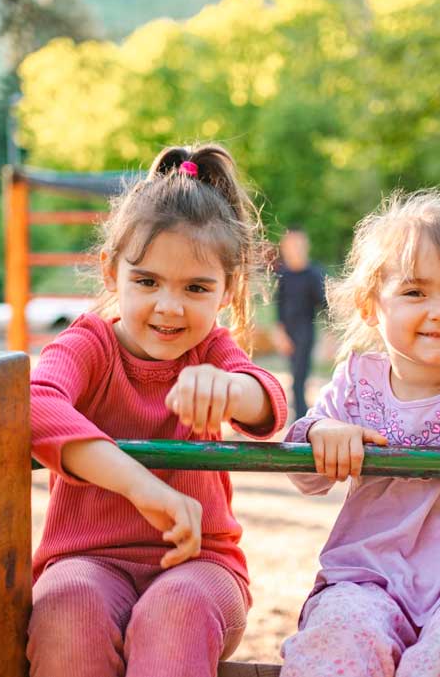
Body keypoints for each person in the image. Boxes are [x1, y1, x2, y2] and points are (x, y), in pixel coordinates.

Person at [27, 144, 289, 677]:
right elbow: (34, 401)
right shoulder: (90, 345)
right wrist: (140, 485)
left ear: (227, 290)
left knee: (174, 613)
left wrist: (229, 388)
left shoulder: (211, 349)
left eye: (196, 288)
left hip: (202, 567)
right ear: (110, 272)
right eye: (146, 281)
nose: (169, 307)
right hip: (86, 560)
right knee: (68, 610)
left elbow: (269, 402)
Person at [279, 189, 440, 677]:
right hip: (366, 578)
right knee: (332, 645)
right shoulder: (356, 381)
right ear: (371, 306)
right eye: (416, 292)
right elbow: (304, 475)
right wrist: (321, 432)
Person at [273, 226, 327, 419]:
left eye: (298, 245)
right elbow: (278, 307)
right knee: (294, 377)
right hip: (289, 331)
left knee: (300, 377)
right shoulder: (283, 274)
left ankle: (301, 416)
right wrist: (280, 333)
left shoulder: (313, 273)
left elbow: (325, 306)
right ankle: (299, 414)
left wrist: (330, 337)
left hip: (305, 331)